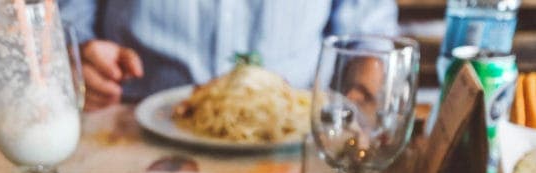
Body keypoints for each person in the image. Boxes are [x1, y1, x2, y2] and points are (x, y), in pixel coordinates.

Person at [58, 0, 399, 109]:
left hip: (291, 144)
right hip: (129, 132)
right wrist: (78, 56)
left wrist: (358, 113)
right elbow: (64, 23)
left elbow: (369, 42)